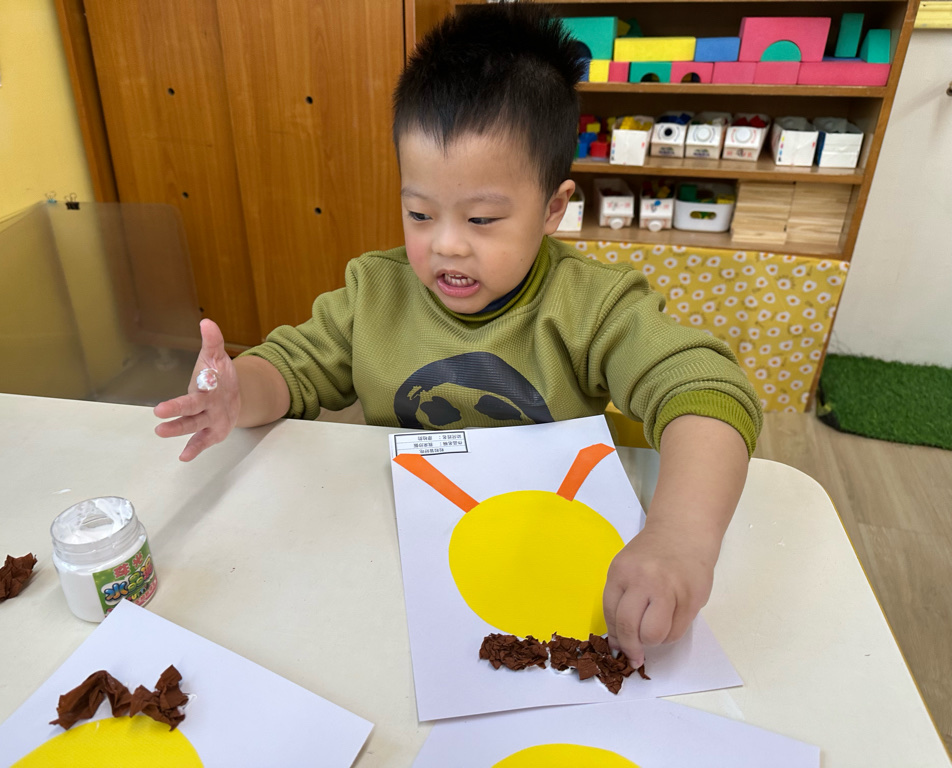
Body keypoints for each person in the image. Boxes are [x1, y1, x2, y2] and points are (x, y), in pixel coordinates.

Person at [154, 2, 761, 670]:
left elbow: (706, 389)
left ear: (553, 208)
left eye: (481, 219)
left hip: (541, 553)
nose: (445, 244)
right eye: (419, 213)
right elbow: (293, 370)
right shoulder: (374, 292)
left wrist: (679, 538)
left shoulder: (592, 306)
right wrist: (239, 391)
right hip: (395, 559)